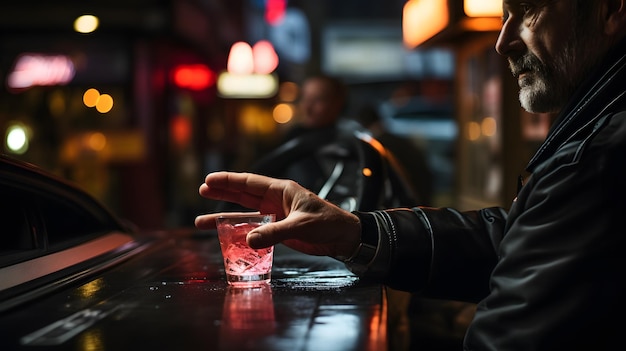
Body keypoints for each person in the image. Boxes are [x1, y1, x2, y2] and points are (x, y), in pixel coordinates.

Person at [196, 1, 626, 349]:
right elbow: (517, 240)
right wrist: (351, 232)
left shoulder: (598, 160)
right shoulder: (595, 137)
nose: (503, 41)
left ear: (611, 9)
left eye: (528, 10)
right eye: (503, 17)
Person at [280, 74, 348, 143]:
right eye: (305, 98)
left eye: (317, 99)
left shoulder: (342, 142)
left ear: (337, 103)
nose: (307, 107)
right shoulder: (295, 134)